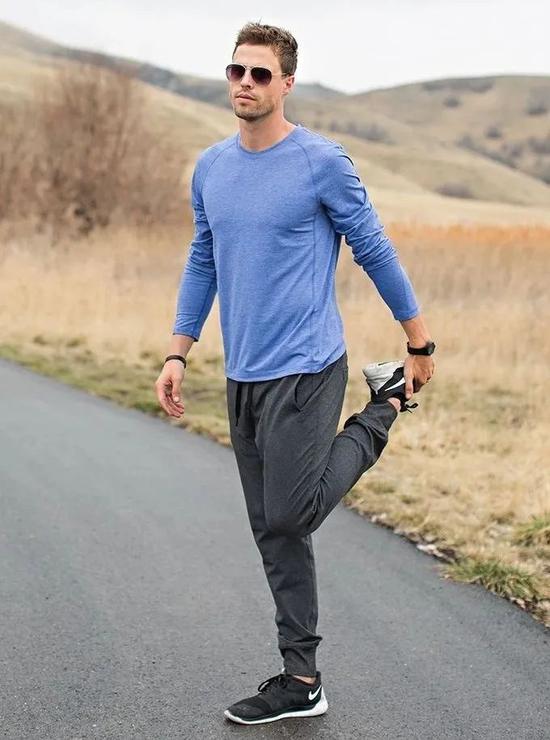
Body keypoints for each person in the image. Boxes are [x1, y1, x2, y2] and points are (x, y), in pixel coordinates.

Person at [154, 21, 436, 726]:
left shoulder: (320, 162)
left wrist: (419, 340)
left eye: (260, 74)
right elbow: (203, 259)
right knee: (273, 531)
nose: (245, 83)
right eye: (237, 71)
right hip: (243, 373)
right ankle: (301, 679)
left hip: (307, 365)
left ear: (286, 84)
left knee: (289, 513)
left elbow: (373, 248)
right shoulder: (212, 168)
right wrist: (178, 351)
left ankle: (382, 408)